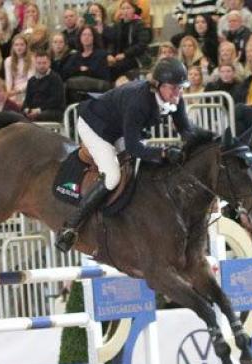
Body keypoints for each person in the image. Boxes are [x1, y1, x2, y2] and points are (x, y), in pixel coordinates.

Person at [56, 58, 195, 252]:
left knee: (141, 168)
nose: (177, 93)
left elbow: (187, 131)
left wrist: (205, 144)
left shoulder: (174, 100)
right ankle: (71, 226)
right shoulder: (139, 101)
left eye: (180, 88)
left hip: (119, 127)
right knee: (113, 176)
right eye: (173, 88)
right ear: (158, 85)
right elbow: (133, 148)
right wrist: (163, 152)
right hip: (95, 126)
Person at [23, 52, 66, 122]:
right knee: (18, 116)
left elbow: (56, 100)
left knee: (38, 116)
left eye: (44, 63)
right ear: (35, 64)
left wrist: (39, 110)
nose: (41, 66)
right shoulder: (31, 80)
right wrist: (26, 109)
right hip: (35, 110)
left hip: (53, 110)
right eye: (39, 63)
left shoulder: (55, 78)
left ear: (49, 63)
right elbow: (27, 99)